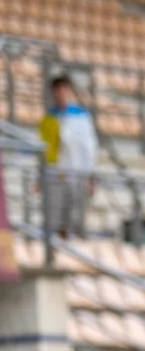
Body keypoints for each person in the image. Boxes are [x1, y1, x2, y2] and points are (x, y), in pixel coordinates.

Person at [38, 75, 98, 239]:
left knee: (75, 218)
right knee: (54, 218)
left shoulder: (82, 117)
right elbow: (43, 150)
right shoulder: (48, 119)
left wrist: (91, 177)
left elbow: (89, 149)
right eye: (58, 91)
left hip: (77, 175)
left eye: (64, 90)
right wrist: (40, 177)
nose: (61, 94)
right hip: (55, 176)